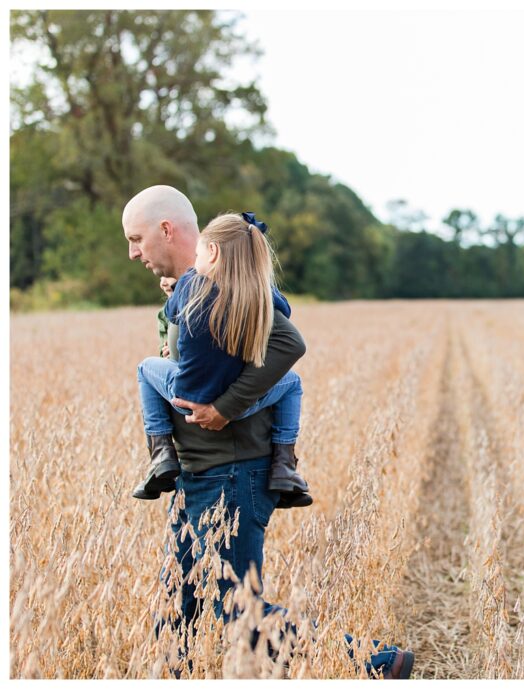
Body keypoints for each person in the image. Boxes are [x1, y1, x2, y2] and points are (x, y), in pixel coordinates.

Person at [122, 185, 414, 679]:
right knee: (179, 601)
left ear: (166, 230)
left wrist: (226, 407)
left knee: (240, 614)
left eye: (136, 238)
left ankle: (379, 662)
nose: (133, 252)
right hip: (197, 474)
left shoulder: (236, 287)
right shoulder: (195, 286)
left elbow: (287, 344)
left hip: (232, 476)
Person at [132, 211, 312, 509]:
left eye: (199, 253)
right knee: (292, 383)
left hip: (187, 398)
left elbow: (176, 320)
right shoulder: (255, 296)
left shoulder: (191, 283)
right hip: (240, 407)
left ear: (212, 251)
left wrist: (176, 289)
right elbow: (284, 311)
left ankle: (161, 453)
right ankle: (284, 465)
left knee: (145, 368)